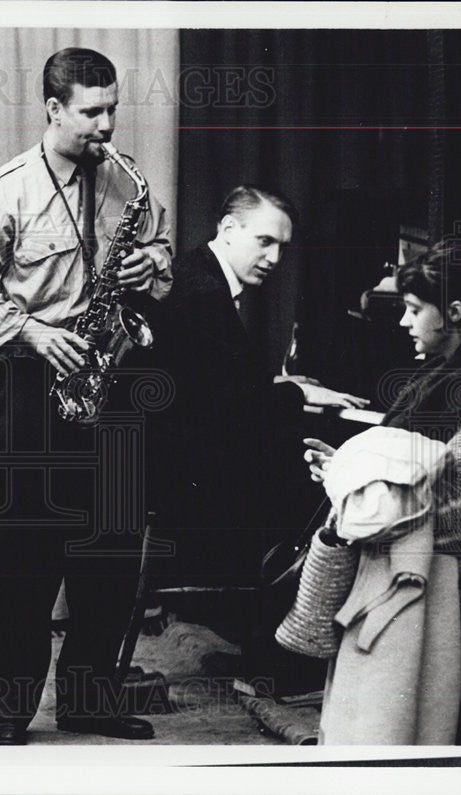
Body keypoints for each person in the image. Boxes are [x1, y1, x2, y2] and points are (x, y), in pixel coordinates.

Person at [0, 47, 172, 745]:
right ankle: (8, 709)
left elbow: (160, 260)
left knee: (110, 550)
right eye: (91, 112)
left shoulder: (127, 182)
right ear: (53, 109)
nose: (106, 124)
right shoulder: (6, 190)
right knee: (28, 552)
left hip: (113, 372)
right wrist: (34, 334)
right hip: (37, 377)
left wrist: (147, 264)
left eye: (112, 109)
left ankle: (89, 699)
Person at [151, 185, 369, 681]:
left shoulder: (195, 273)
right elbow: (229, 405)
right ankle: (282, 654)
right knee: (320, 487)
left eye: (281, 248)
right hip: (177, 474)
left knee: (300, 469)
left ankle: (271, 644)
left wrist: (281, 385)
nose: (273, 258)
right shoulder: (204, 293)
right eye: (264, 241)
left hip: (174, 451)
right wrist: (298, 396)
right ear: (228, 229)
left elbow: (215, 381)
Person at [300, 238, 461, 744]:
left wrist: (370, 494)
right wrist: (346, 471)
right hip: (418, 573)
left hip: (445, 584)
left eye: (414, 310)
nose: (403, 322)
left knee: (419, 719)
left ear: (453, 312)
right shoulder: (441, 379)